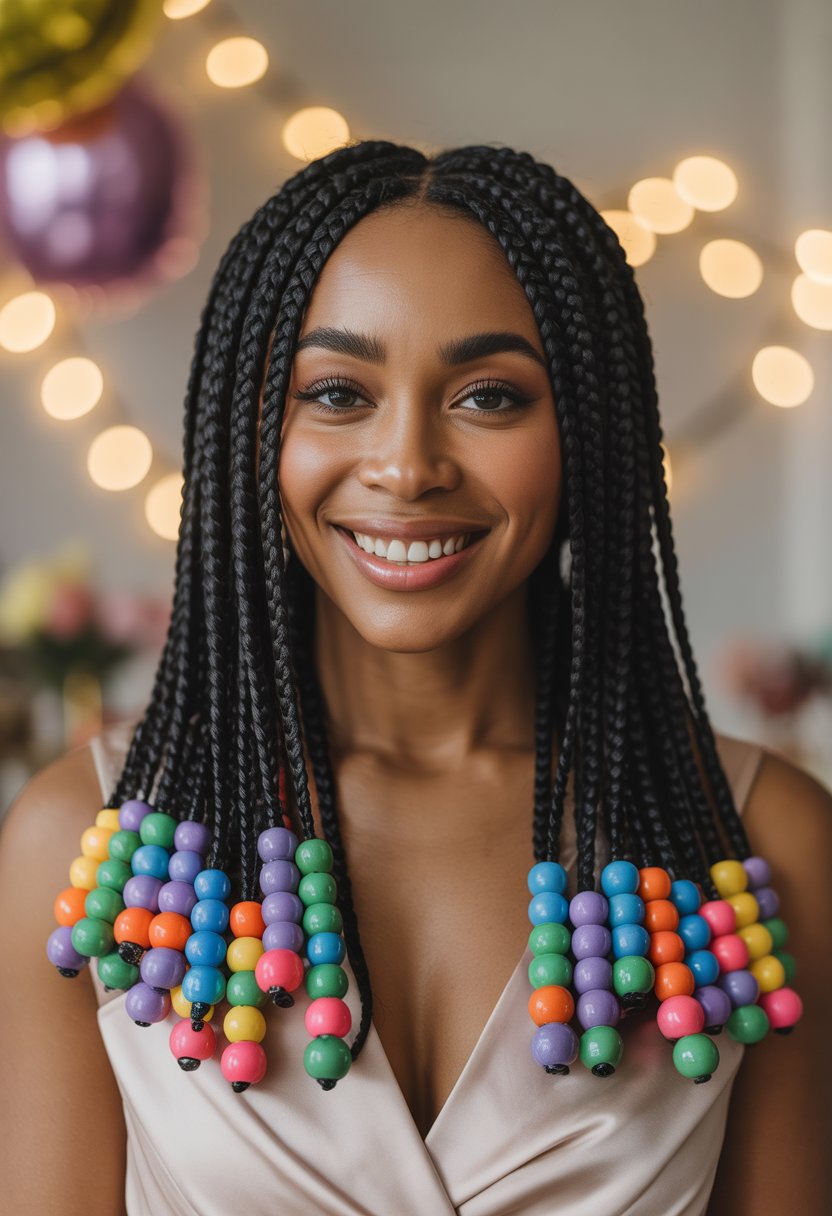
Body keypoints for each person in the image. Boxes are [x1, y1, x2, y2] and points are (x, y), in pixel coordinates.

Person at [1, 140, 829, 1216]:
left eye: (489, 397)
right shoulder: (85, 842)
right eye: (338, 390)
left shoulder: (761, 844)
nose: (406, 465)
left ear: (588, 431)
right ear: (255, 431)